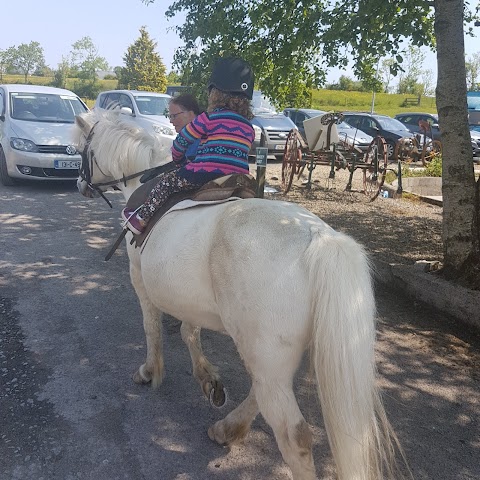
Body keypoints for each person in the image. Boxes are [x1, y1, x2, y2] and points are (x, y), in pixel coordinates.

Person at [121, 57, 255, 235]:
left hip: (203, 174)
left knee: (166, 183)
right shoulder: (248, 127)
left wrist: (177, 159)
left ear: (214, 94)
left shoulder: (208, 118)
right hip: (238, 177)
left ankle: (141, 218)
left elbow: (182, 141)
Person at [168, 93, 201, 162]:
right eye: (170, 116)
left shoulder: (196, 138)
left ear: (191, 114)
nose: (171, 121)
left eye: (174, 116)